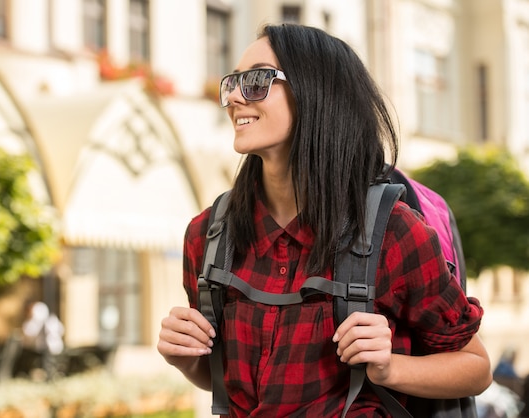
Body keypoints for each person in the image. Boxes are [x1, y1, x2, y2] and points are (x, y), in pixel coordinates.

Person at [157, 23, 492, 417]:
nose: (232, 97)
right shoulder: (209, 236)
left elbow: (476, 367)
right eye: (232, 83)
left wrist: (389, 368)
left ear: (317, 92)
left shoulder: (394, 232)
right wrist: (186, 358)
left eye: (257, 81)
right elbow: (227, 380)